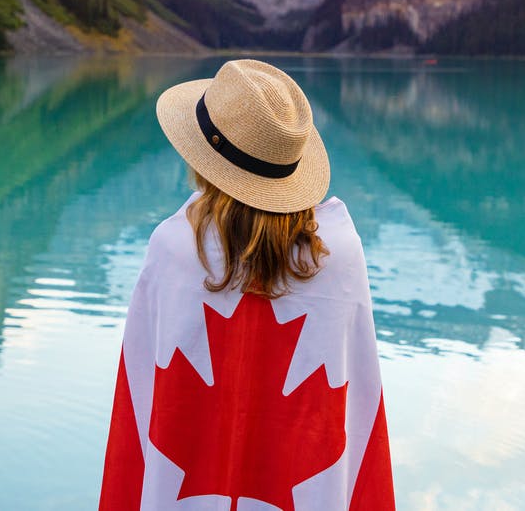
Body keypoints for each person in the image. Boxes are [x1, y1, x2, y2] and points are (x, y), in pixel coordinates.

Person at [99, 59, 394, 511]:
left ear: (205, 159)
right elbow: (359, 410)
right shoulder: (339, 256)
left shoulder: (173, 250)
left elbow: (140, 399)